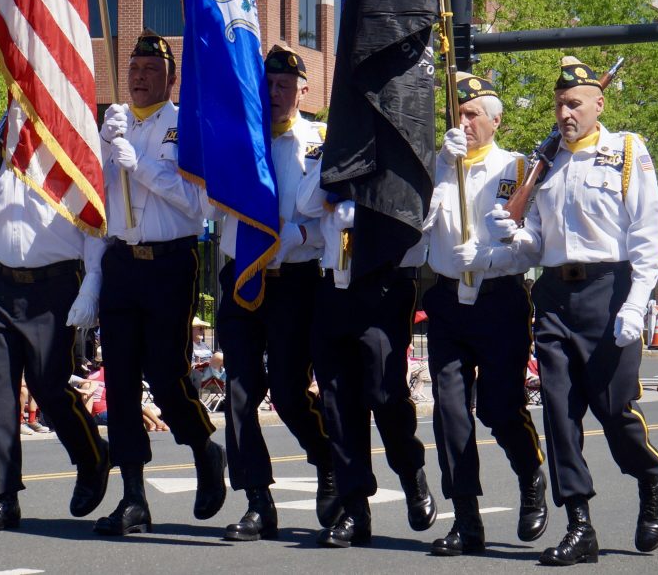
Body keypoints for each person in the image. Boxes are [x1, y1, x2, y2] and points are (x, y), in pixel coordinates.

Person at [469, 56, 658, 564]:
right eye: (559, 104)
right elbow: (539, 242)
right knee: (558, 412)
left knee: (614, 410)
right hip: (556, 294)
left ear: (599, 104)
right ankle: (580, 523)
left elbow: (646, 235)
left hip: (611, 290)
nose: (565, 112)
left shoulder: (625, 151)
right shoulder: (548, 159)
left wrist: (637, 303)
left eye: (574, 103)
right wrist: (515, 233)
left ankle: (649, 477)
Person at [68, 30, 226, 537]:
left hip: (169, 263)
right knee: (119, 381)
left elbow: (200, 206)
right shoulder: (111, 127)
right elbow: (95, 208)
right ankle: (133, 498)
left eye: (150, 72)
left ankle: (205, 447)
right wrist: (101, 148)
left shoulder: (185, 128)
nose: (139, 78)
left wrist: (146, 172)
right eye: (134, 71)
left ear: (170, 80)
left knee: (166, 375)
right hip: (120, 265)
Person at [0, 103, 110, 532]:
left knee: (48, 386)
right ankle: (5, 498)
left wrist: (92, 282)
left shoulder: (67, 146)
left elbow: (94, 221)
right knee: (1, 393)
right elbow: (0, 217)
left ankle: (93, 456)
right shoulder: (0, 144)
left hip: (52, 285)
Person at [215, 45, 339, 543]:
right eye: (267, 85)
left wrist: (301, 237)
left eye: (285, 85)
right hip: (243, 276)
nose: (274, 93)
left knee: (289, 392)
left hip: (294, 283)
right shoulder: (239, 141)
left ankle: (327, 460)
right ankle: (258, 501)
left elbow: (331, 218)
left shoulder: (320, 142)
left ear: (304, 91)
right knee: (240, 394)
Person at [421, 73, 548, 556]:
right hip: (449, 300)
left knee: (498, 407)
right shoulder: (441, 164)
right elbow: (419, 227)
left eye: (474, 113)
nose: (464, 121)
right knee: (451, 413)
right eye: (458, 112)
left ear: (496, 120)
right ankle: (466, 517)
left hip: (498, 299)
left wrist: (490, 259)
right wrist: (439, 167)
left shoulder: (516, 169)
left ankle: (529, 476)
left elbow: (529, 246)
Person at [299, 157, 435, 549]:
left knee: (383, 393)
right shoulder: (334, 152)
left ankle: (410, 472)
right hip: (333, 287)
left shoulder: (399, 154)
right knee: (338, 406)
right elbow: (306, 203)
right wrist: (335, 161)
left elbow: (417, 223)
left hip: (383, 286)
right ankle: (355, 509)